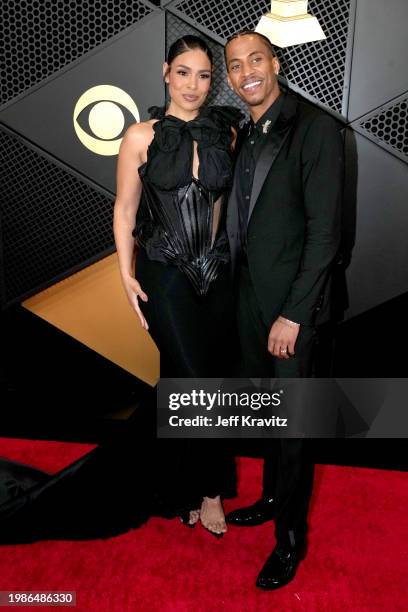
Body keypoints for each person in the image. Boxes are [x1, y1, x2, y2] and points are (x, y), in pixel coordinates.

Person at [0, 35, 242, 543]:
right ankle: (211, 488)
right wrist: (127, 276)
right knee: (200, 383)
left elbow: (228, 209)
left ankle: (174, 483)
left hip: (217, 277)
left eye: (202, 75)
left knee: (192, 382)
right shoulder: (139, 136)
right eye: (183, 72)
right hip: (164, 273)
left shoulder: (227, 131)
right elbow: (124, 211)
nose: (193, 85)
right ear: (165, 72)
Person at [223, 31, 343, 589]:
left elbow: (325, 235)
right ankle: (272, 497)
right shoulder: (242, 133)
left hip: (293, 310)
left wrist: (294, 314)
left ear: (276, 63)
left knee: (294, 427)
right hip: (248, 303)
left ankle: (291, 540)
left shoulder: (315, 127)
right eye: (234, 65)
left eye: (255, 60)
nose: (245, 71)